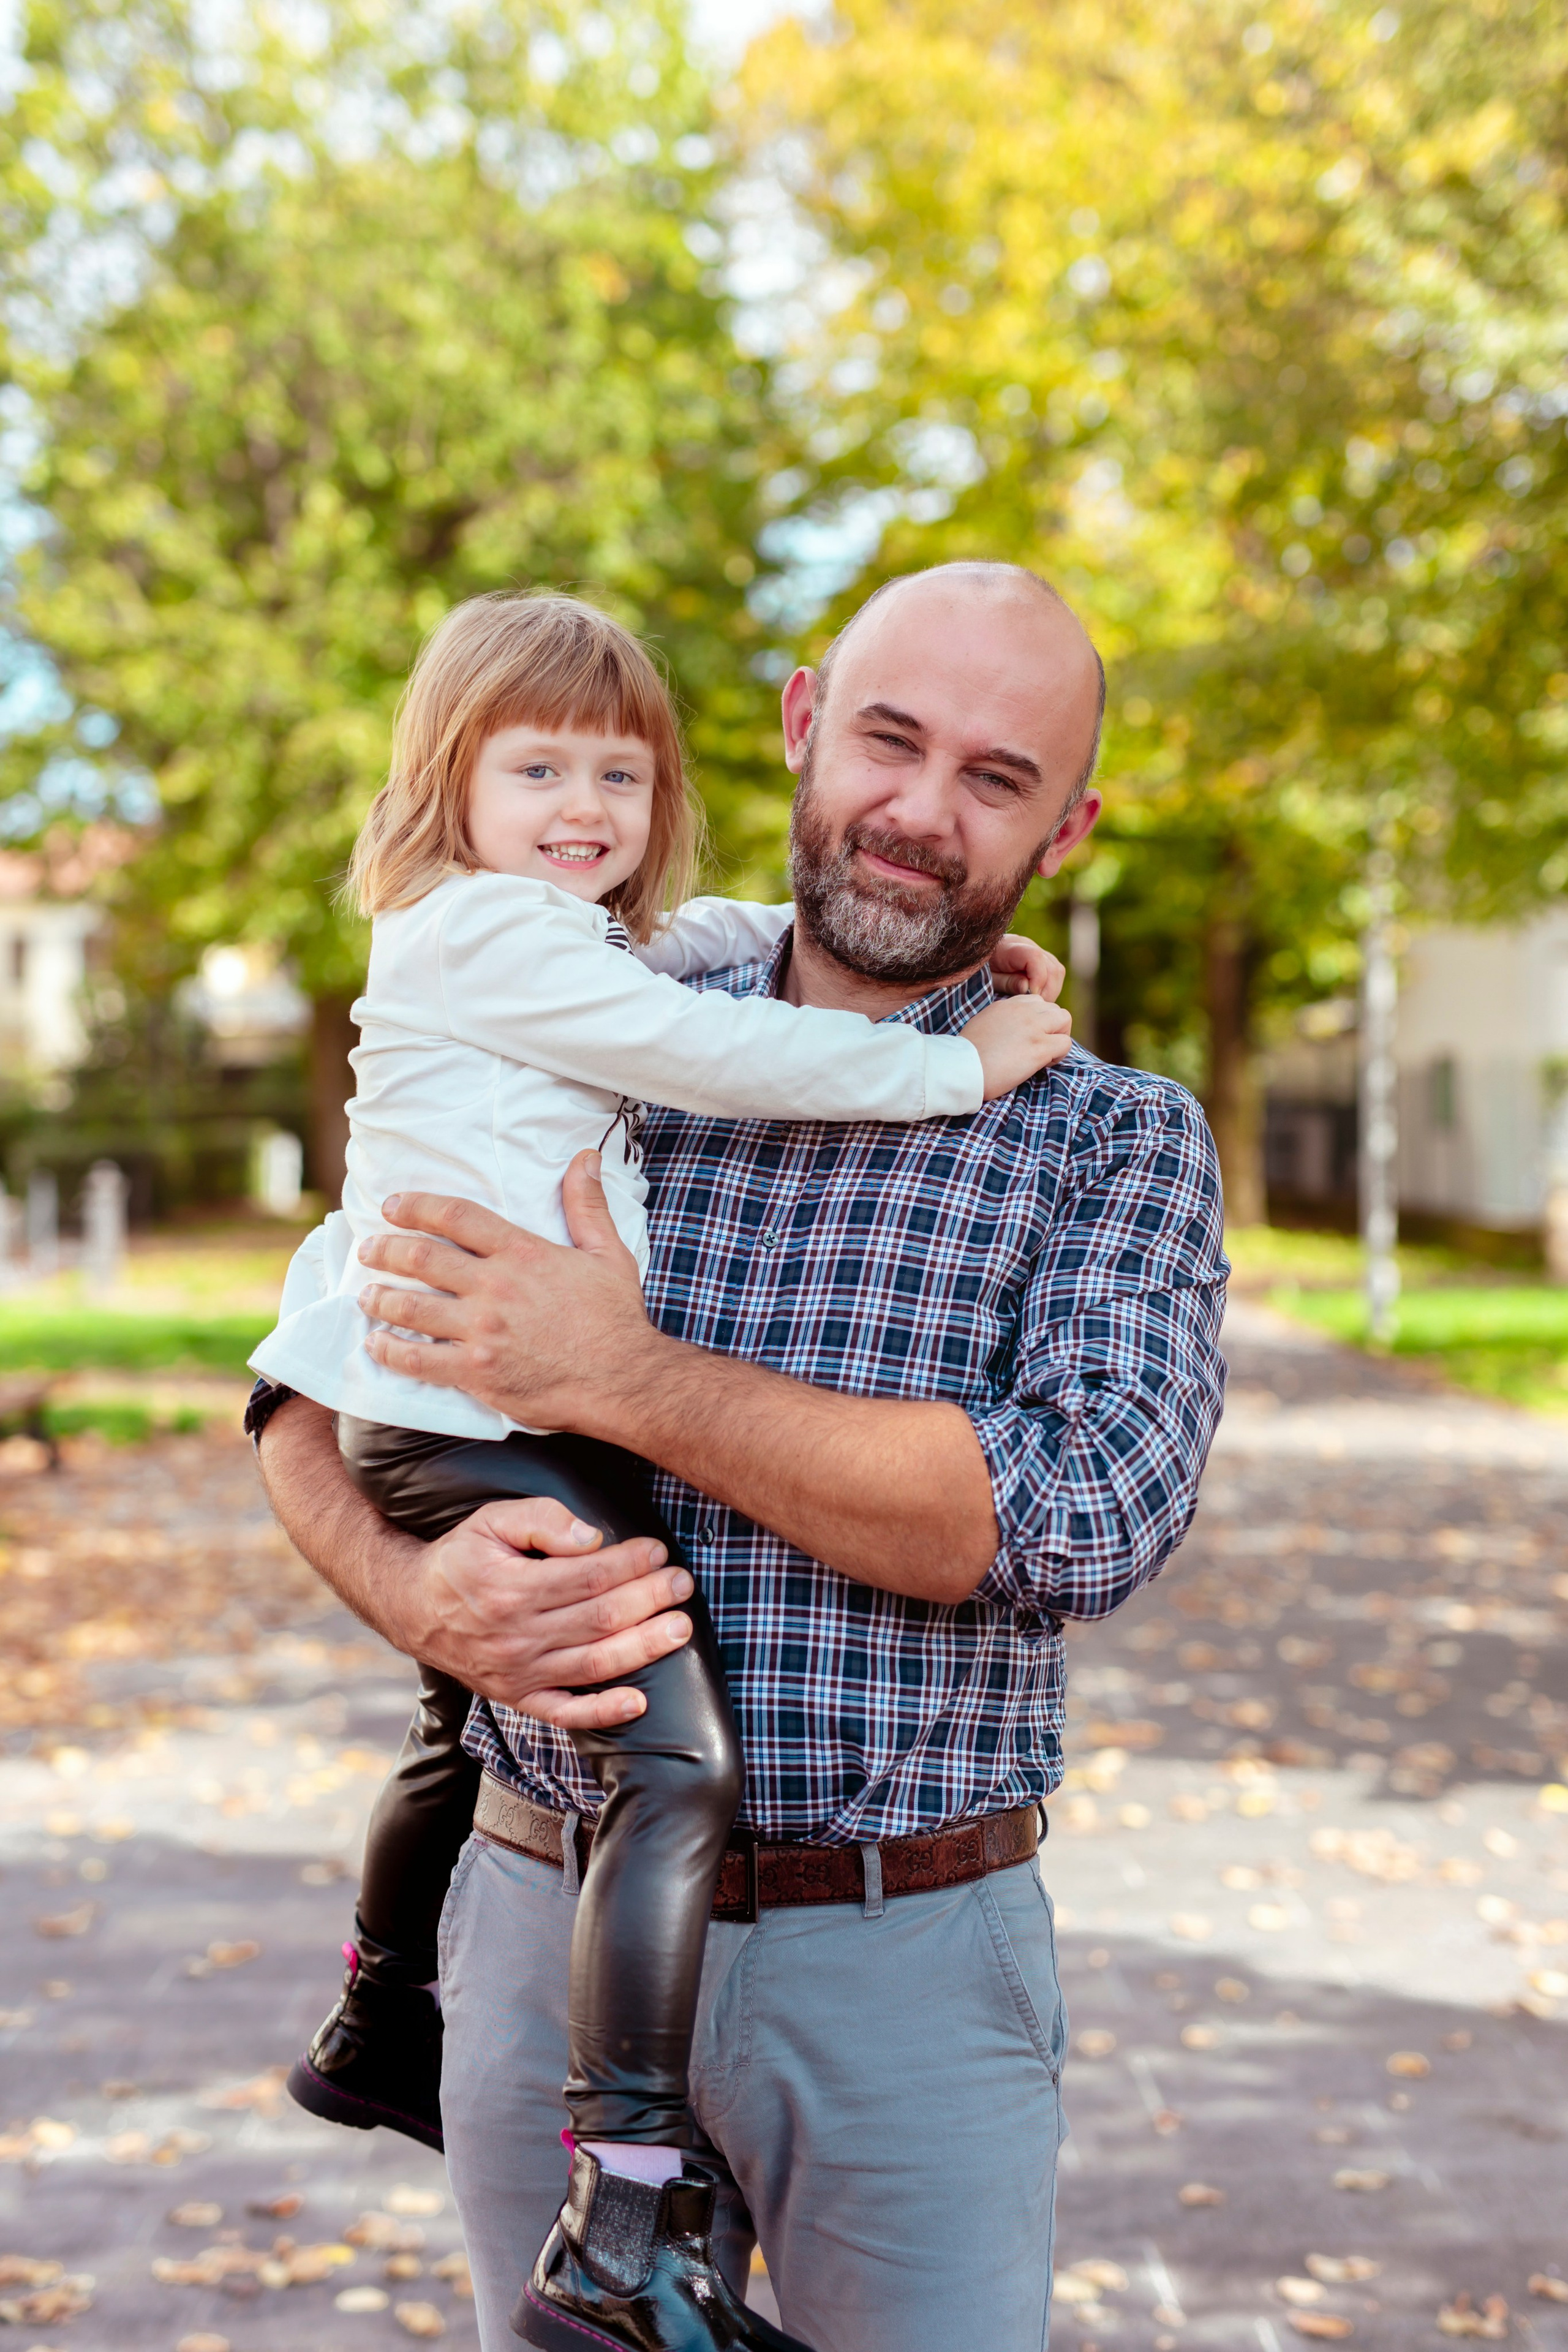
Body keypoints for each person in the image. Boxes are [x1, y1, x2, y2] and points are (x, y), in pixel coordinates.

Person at [252, 560, 1228, 2352]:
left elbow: (1084, 1520)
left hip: (899, 1966)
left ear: (1067, 826)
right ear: (800, 724)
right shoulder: (584, 1018)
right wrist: (415, 1590)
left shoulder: (1108, 1136)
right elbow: (311, 1376)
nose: (924, 814)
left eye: (998, 779)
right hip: (542, 1916)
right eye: (889, 738)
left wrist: (629, 1380)